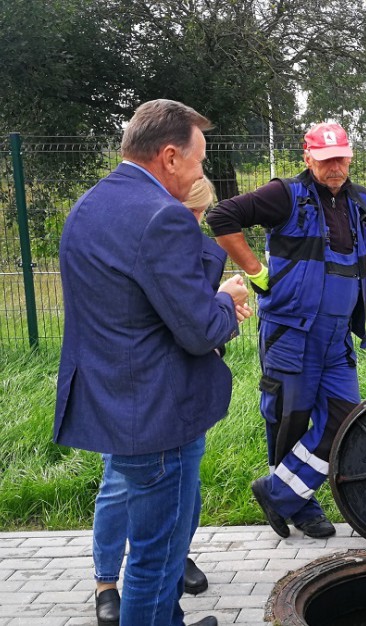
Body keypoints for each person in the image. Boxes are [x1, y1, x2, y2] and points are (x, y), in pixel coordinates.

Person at [206, 121, 366, 539]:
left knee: (345, 419)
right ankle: (301, 507)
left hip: (337, 337)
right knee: (289, 419)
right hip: (290, 332)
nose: (334, 167)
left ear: (350, 157)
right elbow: (222, 216)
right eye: (325, 160)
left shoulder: (363, 204)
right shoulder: (284, 196)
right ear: (308, 159)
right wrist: (256, 271)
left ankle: (279, 493)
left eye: (340, 158)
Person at [55, 100, 250, 626]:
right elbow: (199, 332)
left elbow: (131, 305)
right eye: (198, 160)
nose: (199, 172)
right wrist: (227, 300)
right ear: (168, 156)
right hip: (158, 413)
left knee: (153, 550)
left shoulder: (91, 204)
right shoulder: (162, 216)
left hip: (115, 403)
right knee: (155, 558)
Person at [88, 177, 243, 625]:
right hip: (145, 401)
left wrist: (218, 308)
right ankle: (107, 582)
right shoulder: (155, 231)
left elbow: (184, 317)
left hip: (151, 395)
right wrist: (223, 303)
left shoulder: (133, 222)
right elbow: (187, 326)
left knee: (172, 513)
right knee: (126, 502)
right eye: (194, 213)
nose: (197, 225)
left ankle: (170, 580)